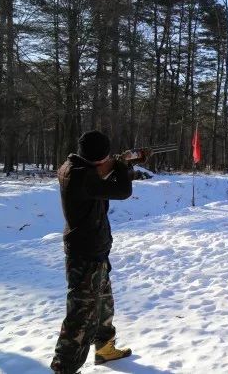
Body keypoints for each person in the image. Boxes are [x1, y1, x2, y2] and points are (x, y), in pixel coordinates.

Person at [51, 130, 140, 373]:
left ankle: (104, 348)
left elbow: (103, 181)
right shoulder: (80, 176)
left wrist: (121, 165)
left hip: (94, 249)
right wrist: (122, 167)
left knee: (103, 304)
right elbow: (122, 191)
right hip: (85, 254)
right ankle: (64, 368)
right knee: (80, 317)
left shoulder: (76, 167)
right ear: (99, 158)